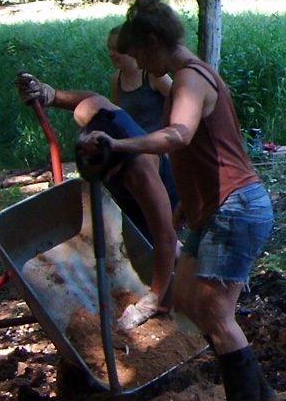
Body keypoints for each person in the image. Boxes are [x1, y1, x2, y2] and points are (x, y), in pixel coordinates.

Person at [77, 0, 275, 401]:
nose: (141, 67)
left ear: (153, 41)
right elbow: (210, 150)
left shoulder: (189, 79)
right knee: (185, 297)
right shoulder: (187, 77)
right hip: (215, 206)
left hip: (235, 206)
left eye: (140, 56)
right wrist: (185, 203)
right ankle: (263, 398)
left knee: (216, 315)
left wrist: (119, 145)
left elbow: (179, 136)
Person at [14, 66, 178, 333]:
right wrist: (50, 94)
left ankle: (174, 297)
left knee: (159, 252)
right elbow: (88, 98)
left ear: (115, 167)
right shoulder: (94, 116)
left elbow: (165, 237)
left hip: (164, 197)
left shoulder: (142, 175)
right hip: (127, 188)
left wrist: (152, 300)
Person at [104, 27, 178, 204]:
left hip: (160, 153)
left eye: (116, 49)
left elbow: (181, 102)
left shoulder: (153, 76)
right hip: (134, 150)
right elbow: (119, 116)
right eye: (109, 49)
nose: (111, 54)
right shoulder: (117, 78)